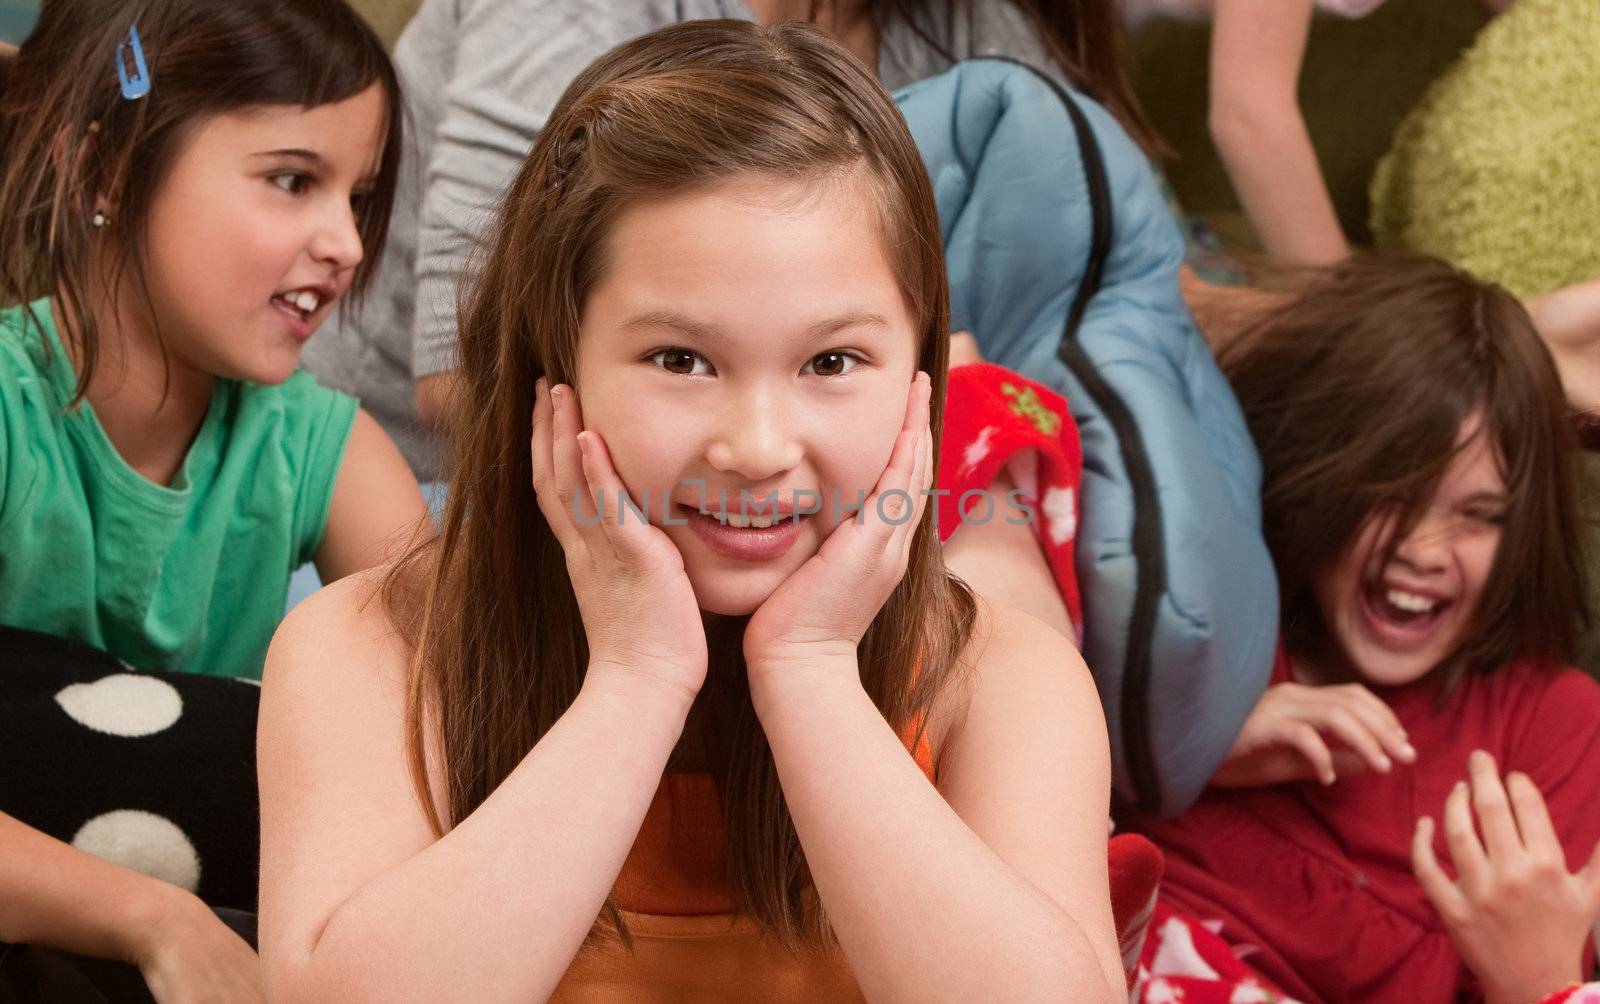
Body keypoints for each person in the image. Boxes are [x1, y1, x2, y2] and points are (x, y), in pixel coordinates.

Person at [258, 20, 1123, 1000]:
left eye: (831, 362)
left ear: (918, 380)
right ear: (555, 365)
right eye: (680, 359)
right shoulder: (371, 650)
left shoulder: (997, 679)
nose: (755, 447)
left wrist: (810, 675)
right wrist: (636, 679)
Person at [0, 0, 425, 995]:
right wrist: (152, 917)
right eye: (292, 180)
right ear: (104, 170)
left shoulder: (321, 445)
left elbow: (458, 686)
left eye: (357, 196)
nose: (349, 245)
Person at [302, 0, 1162, 483]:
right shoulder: (568, 15)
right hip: (477, 477)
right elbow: (462, 374)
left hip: (835, 483)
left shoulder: (973, 30)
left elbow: (1118, 278)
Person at [1122, 255, 1600, 1003]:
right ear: (1321, 482)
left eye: (1479, 516)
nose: (1424, 551)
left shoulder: (1553, 725)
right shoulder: (1195, 630)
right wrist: (1180, 749)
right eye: (1393, 496)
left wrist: (1542, 980)